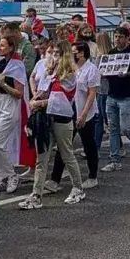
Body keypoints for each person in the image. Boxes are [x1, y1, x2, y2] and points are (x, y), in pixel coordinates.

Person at [21, 43, 86, 210]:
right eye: (53, 52)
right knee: (41, 159)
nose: (54, 55)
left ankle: (78, 188)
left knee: (66, 154)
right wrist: (35, 98)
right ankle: (36, 195)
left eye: (58, 53)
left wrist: (39, 102)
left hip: (62, 119)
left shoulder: (71, 75)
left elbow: (58, 99)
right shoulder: (51, 72)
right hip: (47, 119)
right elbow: (43, 91)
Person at [49, 41, 101, 189]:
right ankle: (55, 179)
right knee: (63, 145)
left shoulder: (91, 69)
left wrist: (83, 115)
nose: (71, 55)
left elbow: (91, 94)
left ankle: (92, 176)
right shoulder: (71, 68)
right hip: (69, 111)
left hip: (86, 113)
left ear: (82, 53)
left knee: (88, 144)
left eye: (74, 52)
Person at [0, 35, 32, 193]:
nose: (0, 47)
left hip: (9, 103)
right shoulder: (0, 63)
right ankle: (1, 178)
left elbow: (19, 93)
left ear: (11, 47)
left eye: (4, 45)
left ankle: (11, 175)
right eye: (0, 45)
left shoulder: (17, 65)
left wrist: (3, 84)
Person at [100, 28, 130, 173]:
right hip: (112, 94)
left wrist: (128, 73)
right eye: (116, 37)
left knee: (125, 127)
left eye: (120, 37)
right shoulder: (112, 53)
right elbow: (105, 70)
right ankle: (115, 159)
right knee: (113, 129)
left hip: (127, 95)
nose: (117, 40)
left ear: (127, 38)